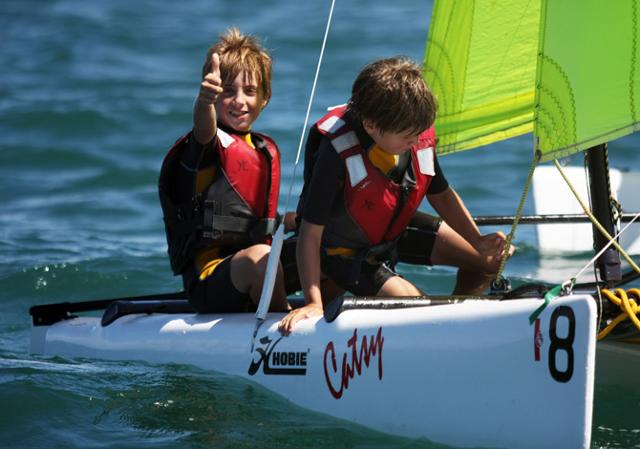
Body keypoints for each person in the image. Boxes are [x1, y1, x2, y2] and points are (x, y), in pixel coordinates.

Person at [279, 56, 513, 334]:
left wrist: (478, 240)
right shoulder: (337, 150)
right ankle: (445, 331)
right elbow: (310, 233)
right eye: (406, 136)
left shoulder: (413, 128)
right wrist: (313, 303)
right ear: (371, 125)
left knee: (490, 262)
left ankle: (462, 321)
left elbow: (441, 195)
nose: (415, 141)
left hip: (392, 232)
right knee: (417, 306)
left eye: (419, 132)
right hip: (344, 253)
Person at [159, 28, 292, 313]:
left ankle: (324, 315)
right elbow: (203, 128)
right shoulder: (206, 145)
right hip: (209, 280)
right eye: (228, 91)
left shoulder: (261, 148)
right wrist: (205, 101)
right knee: (262, 258)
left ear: (265, 98)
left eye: (250, 91)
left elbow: (255, 221)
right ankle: (283, 323)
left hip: (256, 265)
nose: (239, 100)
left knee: (325, 247)